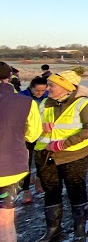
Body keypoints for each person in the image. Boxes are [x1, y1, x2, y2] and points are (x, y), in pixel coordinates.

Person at [34, 70, 88, 242]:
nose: (47, 88)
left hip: (74, 155)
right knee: (51, 191)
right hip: (45, 155)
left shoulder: (83, 103)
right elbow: (32, 126)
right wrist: (40, 127)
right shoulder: (44, 103)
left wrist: (63, 143)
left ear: (65, 87)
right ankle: (53, 229)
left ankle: (80, 228)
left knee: (76, 189)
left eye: (51, 85)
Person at [0, 62, 42, 242]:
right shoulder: (26, 102)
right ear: (9, 78)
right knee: (6, 222)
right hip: (10, 169)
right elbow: (33, 135)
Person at [18, 77, 49, 205]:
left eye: (43, 90)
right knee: (26, 161)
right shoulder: (21, 97)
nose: (40, 93)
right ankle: (26, 190)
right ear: (31, 88)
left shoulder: (48, 97)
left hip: (43, 134)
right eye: (37, 91)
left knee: (41, 160)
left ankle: (39, 179)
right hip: (27, 134)